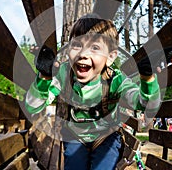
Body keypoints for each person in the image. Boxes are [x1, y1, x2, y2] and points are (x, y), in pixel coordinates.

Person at [25, 13, 164, 170]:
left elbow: (144, 104)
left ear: (110, 57)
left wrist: (147, 79)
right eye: (77, 45)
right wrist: (44, 77)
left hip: (106, 136)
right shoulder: (64, 74)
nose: (83, 54)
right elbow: (32, 107)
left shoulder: (115, 80)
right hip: (75, 135)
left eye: (95, 48)